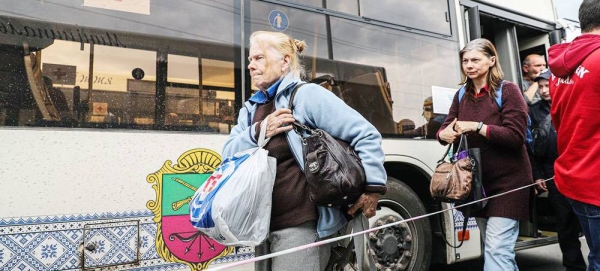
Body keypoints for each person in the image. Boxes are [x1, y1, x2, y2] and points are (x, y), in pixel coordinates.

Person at [222, 31, 387, 271]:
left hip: (301, 227)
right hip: (261, 227)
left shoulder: (306, 96)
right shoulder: (250, 110)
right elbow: (227, 154)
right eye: (250, 60)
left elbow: (366, 134)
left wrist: (373, 187)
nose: (250, 65)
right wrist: (260, 130)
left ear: (285, 61)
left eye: (258, 58)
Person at [437, 38, 532, 271]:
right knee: (495, 249)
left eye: (475, 60)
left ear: (491, 60)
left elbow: (515, 136)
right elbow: (446, 127)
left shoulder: (508, 90)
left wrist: (477, 127)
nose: (469, 65)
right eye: (465, 61)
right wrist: (443, 134)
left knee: (497, 250)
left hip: (509, 184)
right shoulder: (461, 94)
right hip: (476, 185)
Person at [548, 0, 600, 269]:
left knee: (595, 255)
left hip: (573, 177)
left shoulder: (558, 70)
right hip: (595, 180)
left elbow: (558, 120)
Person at [529, 69, 587, 271]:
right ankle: (574, 266)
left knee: (588, 222)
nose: (544, 90)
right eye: (541, 86)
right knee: (565, 225)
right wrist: (537, 175)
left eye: (548, 85)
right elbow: (531, 147)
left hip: (581, 172)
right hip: (554, 175)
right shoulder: (534, 111)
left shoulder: (572, 102)